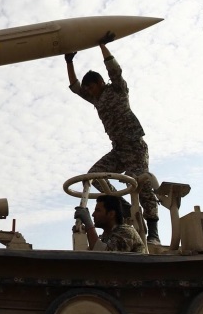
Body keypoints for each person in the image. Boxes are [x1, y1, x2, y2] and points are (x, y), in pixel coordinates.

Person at [65, 32, 160, 244]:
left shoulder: (117, 90)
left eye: (91, 86)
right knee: (94, 175)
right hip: (118, 150)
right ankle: (123, 207)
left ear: (99, 82)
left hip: (134, 146)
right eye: (88, 88)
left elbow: (114, 70)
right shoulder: (96, 99)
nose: (88, 91)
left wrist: (102, 45)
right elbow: (75, 87)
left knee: (141, 183)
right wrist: (69, 61)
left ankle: (153, 231)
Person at [74, 194, 146, 252]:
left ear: (111, 214)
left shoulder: (127, 232)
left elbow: (105, 256)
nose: (93, 214)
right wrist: (81, 235)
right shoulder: (105, 237)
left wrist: (88, 224)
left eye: (98, 210)